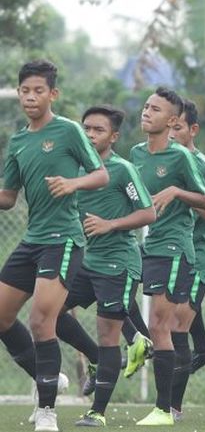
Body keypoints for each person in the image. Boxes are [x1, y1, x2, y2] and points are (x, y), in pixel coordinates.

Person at [0, 59, 109, 432]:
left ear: (52, 94)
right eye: (25, 91)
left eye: (38, 91)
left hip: (63, 241)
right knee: (1, 316)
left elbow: (101, 174)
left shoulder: (68, 131)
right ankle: (51, 377)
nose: (30, 97)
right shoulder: (18, 141)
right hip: (32, 241)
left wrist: (73, 184)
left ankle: (47, 411)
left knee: (41, 320)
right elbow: (8, 197)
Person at [61, 105, 156, 427]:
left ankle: (97, 412)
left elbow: (147, 213)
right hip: (83, 262)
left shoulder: (122, 170)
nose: (89, 134)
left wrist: (110, 224)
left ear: (113, 136)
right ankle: (95, 358)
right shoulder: (76, 169)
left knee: (108, 334)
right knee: (49, 315)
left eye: (98, 130)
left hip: (117, 263)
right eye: (86, 128)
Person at [130, 87, 205, 426]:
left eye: (156, 109)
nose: (147, 112)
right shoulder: (135, 153)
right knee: (109, 291)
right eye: (146, 106)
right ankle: (134, 342)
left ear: (173, 120)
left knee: (160, 326)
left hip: (175, 248)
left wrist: (176, 190)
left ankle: (164, 410)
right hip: (148, 246)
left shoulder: (181, 157)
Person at [166, 98, 205, 421]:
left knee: (177, 325)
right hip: (167, 253)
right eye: (169, 126)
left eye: (177, 127)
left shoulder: (202, 165)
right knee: (162, 323)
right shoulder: (157, 160)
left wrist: (187, 200)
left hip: (198, 256)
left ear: (192, 130)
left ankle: (171, 407)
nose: (171, 133)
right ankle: (204, 347)